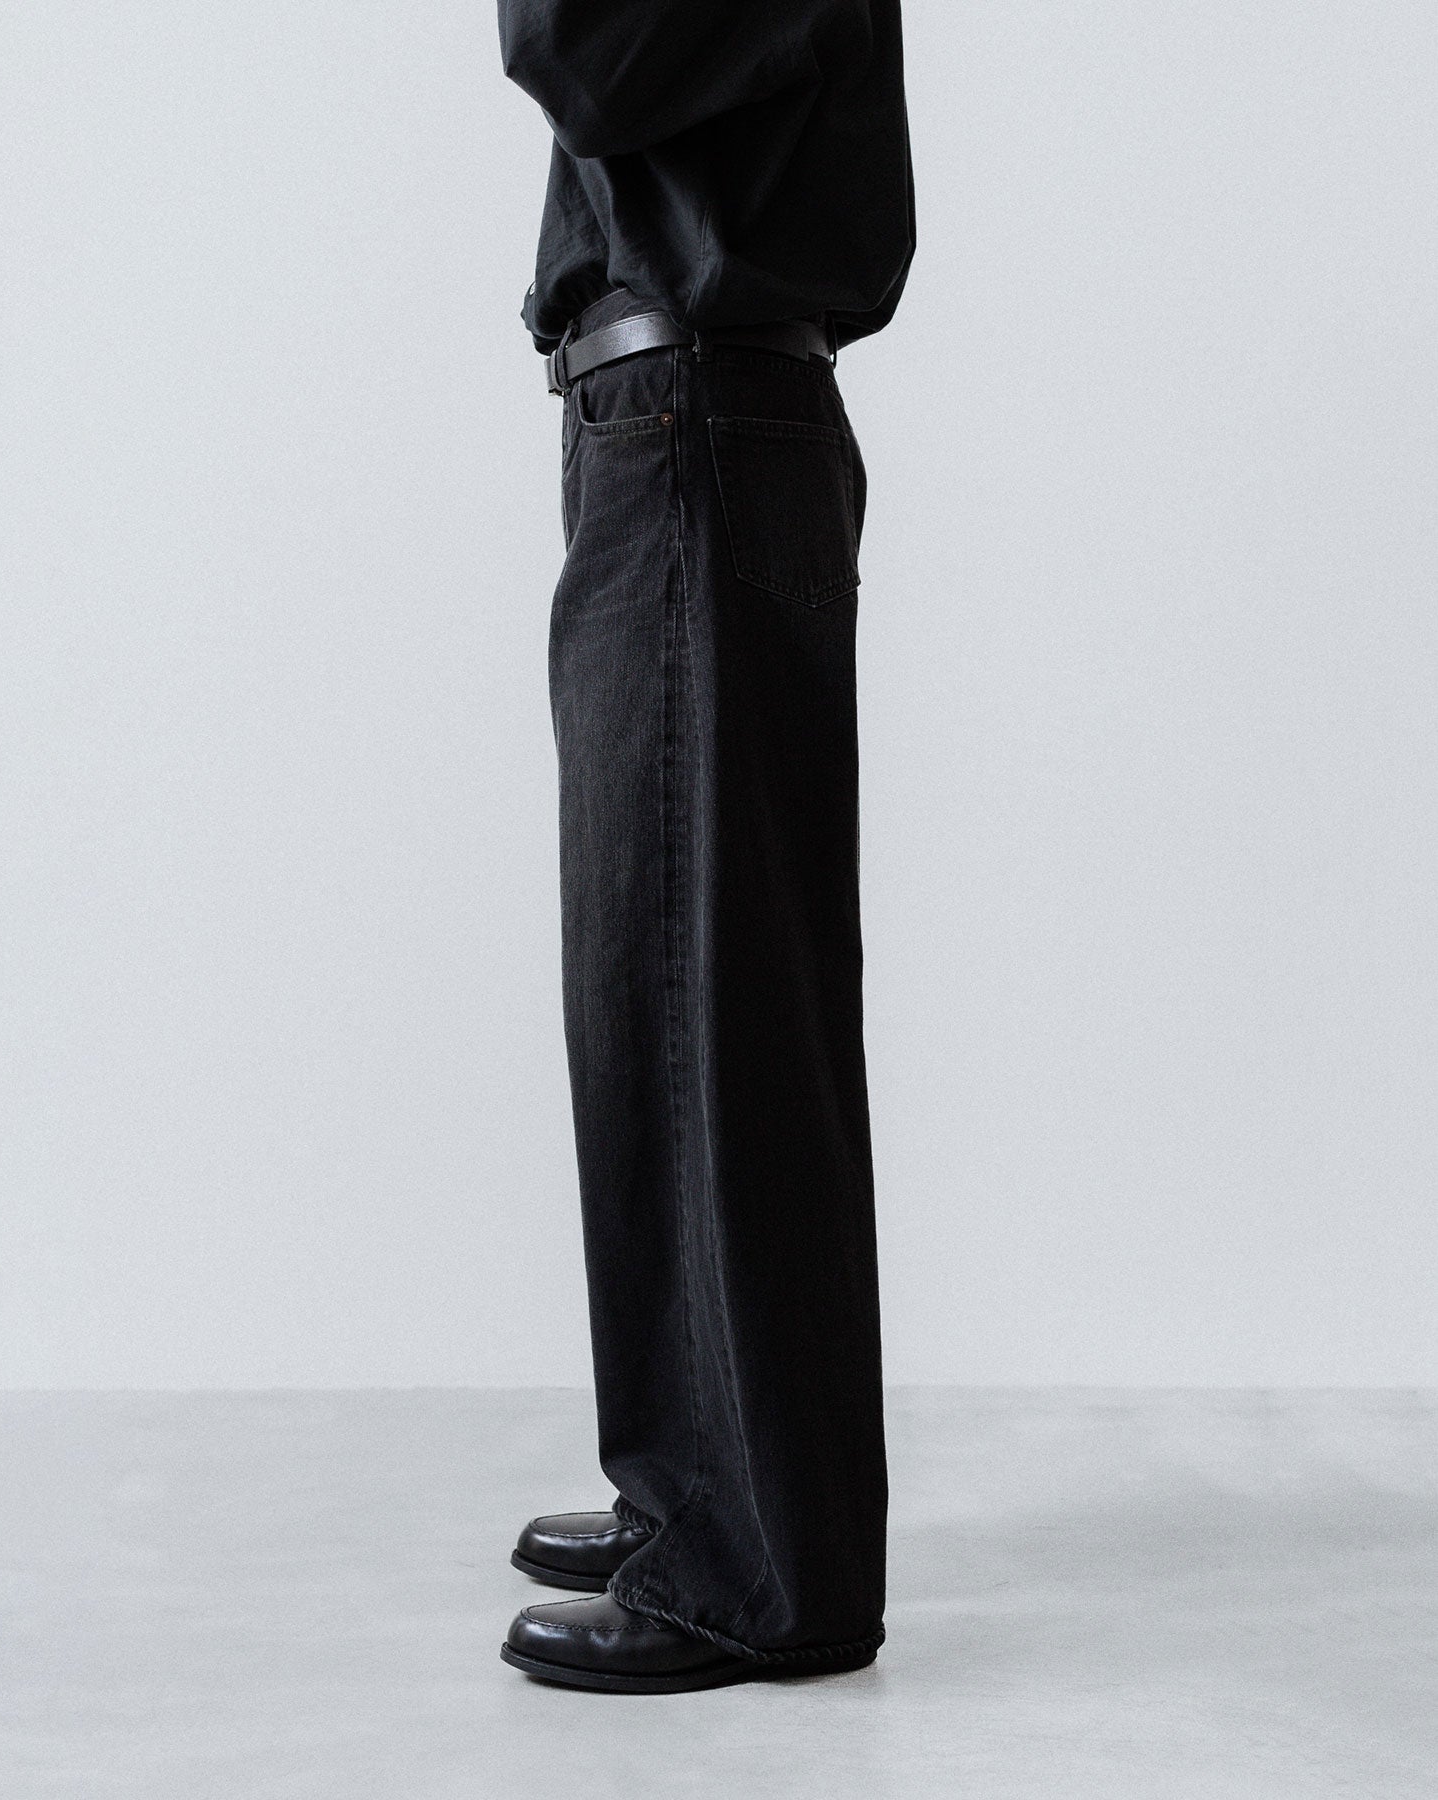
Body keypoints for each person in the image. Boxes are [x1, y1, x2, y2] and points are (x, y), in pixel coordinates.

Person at [493, 0, 916, 1694]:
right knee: (683, 997)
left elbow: (579, 54)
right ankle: (706, 1491)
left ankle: (751, 1568)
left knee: (694, 1000)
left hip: (695, 411)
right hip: (696, 410)